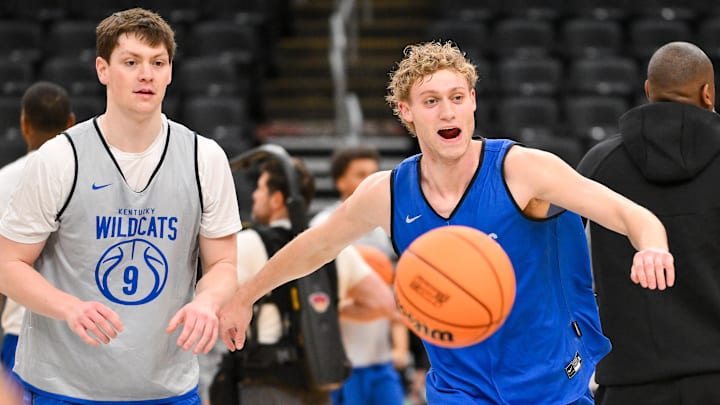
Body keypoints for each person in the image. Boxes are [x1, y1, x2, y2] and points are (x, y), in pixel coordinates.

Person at [218, 41, 675, 404]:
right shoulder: (389, 193)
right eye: (431, 101)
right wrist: (245, 296)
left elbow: (628, 213)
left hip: (548, 379)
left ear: (473, 101)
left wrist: (651, 244)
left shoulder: (524, 170)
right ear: (406, 112)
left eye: (457, 98)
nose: (447, 111)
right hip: (460, 387)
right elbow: (315, 246)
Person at [0, 8, 241, 404]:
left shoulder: (204, 157)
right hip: (64, 388)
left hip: (167, 387)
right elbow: (9, 265)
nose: (146, 74)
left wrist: (207, 301)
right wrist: (68, 308)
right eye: (131, 62)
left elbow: (223, 265)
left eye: (157, 63)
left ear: (169, 73)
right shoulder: (60, 158)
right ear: (103, 69)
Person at [577, 41, 720, 404]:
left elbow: (573, 271)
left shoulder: (598, 166)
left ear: (647, 91)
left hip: (630, 381)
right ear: (708, 93)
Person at [207, 157, 395, 405]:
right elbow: (382, 304)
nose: (254, 196)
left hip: (265, 379)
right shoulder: (339, 249)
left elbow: (213, 298)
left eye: (261, 189)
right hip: (318, 377)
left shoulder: (248, 242)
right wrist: (324, 311)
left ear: (276, 200)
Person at [311, 146, 408, 405]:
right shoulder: (322, 225)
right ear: (339, 181)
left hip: (381, 358)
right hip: (341, 362)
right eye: (360, 174)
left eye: (374, 173)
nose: (370, 179)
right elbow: (317, 298)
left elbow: (393, 290)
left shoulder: (387, 223)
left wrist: (401, 346)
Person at [0, 81, 76, 395]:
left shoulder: (3, 182)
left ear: (24, 124)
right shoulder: (88, 176)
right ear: (71, 122)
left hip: (21, 333)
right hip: (79, 333)